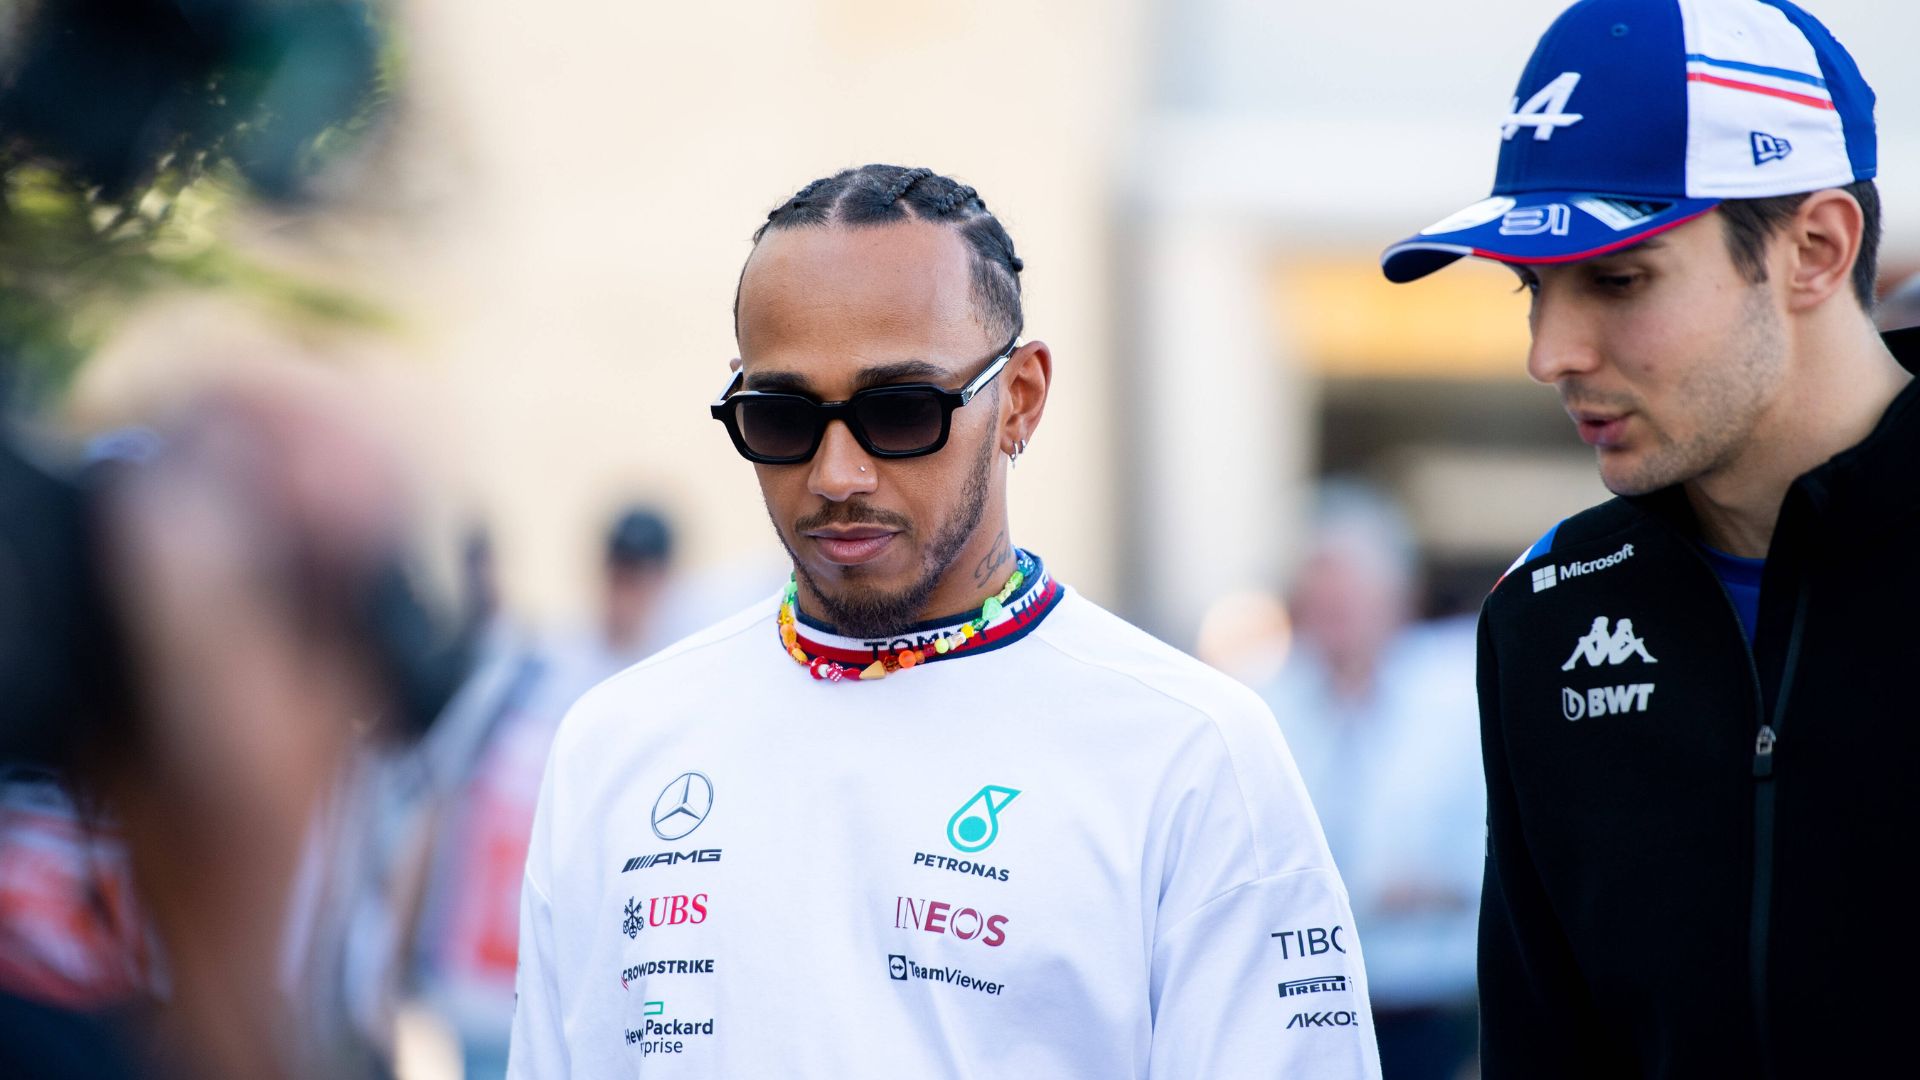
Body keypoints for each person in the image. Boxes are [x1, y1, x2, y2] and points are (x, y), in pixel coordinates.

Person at [508, 164, 1380, 1078]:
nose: (837, 475)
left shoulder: (1194, 753)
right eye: (782, 417)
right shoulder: (616, 742)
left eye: (899, 411)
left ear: (1021, 400)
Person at [1381, 0, 1916, 1076]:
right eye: (1535, 288)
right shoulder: (1546, 618)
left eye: (1618, 280)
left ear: (1815, 248)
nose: (1551, 353)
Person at [1259, 485, 1481, 1080]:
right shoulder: (1262, 703)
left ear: (1398, 598)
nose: (1334, 612)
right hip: (1308, 1005)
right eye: (1320, 596)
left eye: (1350, 596)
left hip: (1437, 1008)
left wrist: (1437, 888)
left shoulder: (1462, 694)